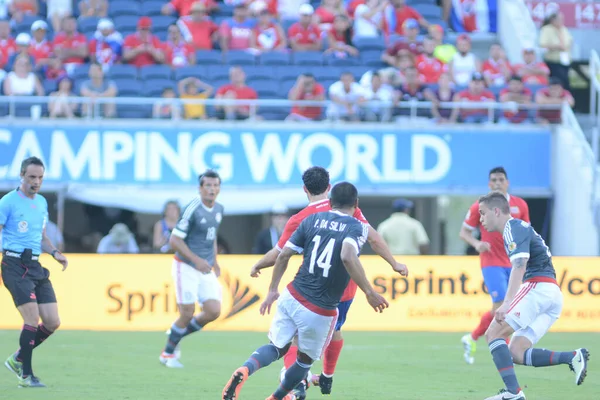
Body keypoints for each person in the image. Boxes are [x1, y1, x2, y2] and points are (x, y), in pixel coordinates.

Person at [222, 182, 390, 400]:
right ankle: (277, 397)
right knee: (304, 362)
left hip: (292, 295)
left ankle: (245, 369)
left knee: (276, 348)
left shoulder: (309, 219)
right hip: (320, 309)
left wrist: (273, 289)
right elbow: (348, 256)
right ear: (356, 204)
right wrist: (369, 292)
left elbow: (282, 255)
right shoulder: (356, 226)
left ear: (330, 202)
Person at [477, 191, 589, 400]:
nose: (480, 219)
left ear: (496, 211)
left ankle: (513, 393)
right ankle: (573, 357)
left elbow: (520, 265)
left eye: (482, 213)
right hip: (552, 295)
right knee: (516, 351)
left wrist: (507, 303)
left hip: (538, 288)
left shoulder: (512, 227)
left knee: (493, 334)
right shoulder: (518, 228)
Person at [1, 157, 69, 388]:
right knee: (32, 319)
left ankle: (18, 358)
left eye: (40, 177)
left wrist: (55, 252)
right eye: (32, 177)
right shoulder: (8, 202)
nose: (36, 182)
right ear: (22, 175)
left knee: (52, 321)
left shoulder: (41, 203)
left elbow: (41, 237)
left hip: (36, 266)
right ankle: (26, 375)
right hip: (14, 264)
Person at [459, 167, 530, 365]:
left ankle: (472, 337)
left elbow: (527, 231)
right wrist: (476, 244)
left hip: (514, 262)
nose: (497, 183)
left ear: (507, 182)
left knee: (504, 308)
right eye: (493, 180)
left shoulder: (520, 205)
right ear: (489, 184)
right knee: (501, 306)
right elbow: (464, 232)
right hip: (491, 262)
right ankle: (505, 348)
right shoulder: (478, 207)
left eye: (500, 179)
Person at [159, 170, 224, 368]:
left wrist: (215, 261)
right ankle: (167, 354)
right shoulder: (192, 209)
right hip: (186, 266)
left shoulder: (219, 208)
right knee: (187, 313)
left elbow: (211, 237)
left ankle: (175, 336)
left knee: (213, 311)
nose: (212, 189)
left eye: (215, 185)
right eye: (208, 186)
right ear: (200, 188)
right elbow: (174, 240)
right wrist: (197, 260)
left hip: (204, 266)